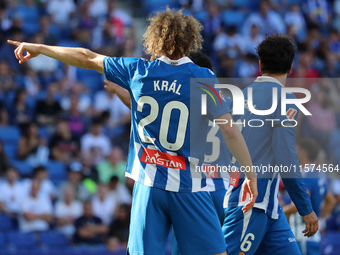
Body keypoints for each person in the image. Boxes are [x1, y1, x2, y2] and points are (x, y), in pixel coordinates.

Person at [8, 8, 257, 255]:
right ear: (190, 40)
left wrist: (40, 48)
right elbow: (231, 132)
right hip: (190, 186)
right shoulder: (204, 77)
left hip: (149, 185)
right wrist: (250, 175)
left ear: (155, 39)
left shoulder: (138, 70)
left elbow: (86, 56)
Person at [223, 34, 319, 255]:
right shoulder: (285, 100)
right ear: (291, 67)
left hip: (268, 207)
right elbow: (286, 157)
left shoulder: (241, 95)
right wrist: (305, 208)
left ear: (260, 64)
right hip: (252, 204)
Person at [284, 138, 336, 255]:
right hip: (312, 237)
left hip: (303, 235)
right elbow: (331, 201)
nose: (293, 152)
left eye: (295, 149)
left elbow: (301, 203)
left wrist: (280, 212)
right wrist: (318, 218)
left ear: (303, 152)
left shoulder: (306, 175)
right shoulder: (316, 174)